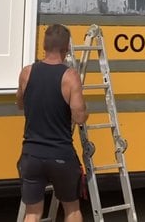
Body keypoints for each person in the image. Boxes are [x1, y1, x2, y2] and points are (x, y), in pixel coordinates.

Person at [16, 24, 88, 222]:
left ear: (44, 46)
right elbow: (79, 117)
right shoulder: (70, 77)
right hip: (60, 155)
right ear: (66, 49)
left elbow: (20, 104)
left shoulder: (27, 72)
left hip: (31, 155)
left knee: (32, 213)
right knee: (72, 210)